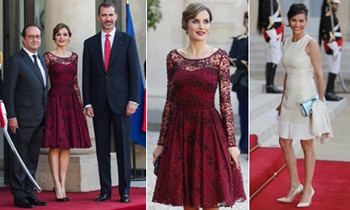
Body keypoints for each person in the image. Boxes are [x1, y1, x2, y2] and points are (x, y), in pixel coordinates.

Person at [152, 3, 246, 209]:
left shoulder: (219, 57)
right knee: (187, 200)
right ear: (186, 24)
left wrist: (231, 144)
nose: (201, 26)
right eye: (196, 21)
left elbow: (225, 102)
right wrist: (161, 142)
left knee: (211, 199)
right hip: (180, 131)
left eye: (206, 21)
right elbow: (170, 101)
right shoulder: (173, 58)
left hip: (209, 131)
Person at [82, 2, 140, 203]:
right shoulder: (89, 43)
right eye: (104, 15)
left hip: (123, 103)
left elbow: (135, 73)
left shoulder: (128, 40)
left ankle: (124, 191)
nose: (107, 18)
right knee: (102, 149)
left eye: (111, 15)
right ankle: (105, 190)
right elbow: (86, 76)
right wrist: (87, 103)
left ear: (116, 17)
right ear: (99, 18)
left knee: (124, 149)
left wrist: (133, 100)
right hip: (98, 104)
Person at [276, 4, 331, 208]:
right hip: (290, 99)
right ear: (288, 21)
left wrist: (321, 101)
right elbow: (287, 74)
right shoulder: (286, 42)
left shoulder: (311, 43)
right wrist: (282, 101)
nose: (297, 24)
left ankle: (308, 188)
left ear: (306, 22)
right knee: (284, 141)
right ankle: (294, 186)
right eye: (294, 20)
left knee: (307, 144)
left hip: (306, 100)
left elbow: (319, 74)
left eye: (301, 20)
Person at [41, 23, 91, 202]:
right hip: (54, 101)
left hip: (71, 102)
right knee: (55, 145)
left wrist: (80, 105)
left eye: (65, 34)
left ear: (69, 37)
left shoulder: (74, 57)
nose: (62, 37)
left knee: (66, 145)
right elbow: (42, 82)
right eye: (58, 34)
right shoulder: (47, 56)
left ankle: (63, 183)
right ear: (54, 37)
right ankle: (57, 185)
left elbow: (75, 82)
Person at [3, 24, 48, 208]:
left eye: (38, 36)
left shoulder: (41, 60)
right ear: (23, 38)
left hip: (39, 119)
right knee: (19, 159)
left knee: (32, 159)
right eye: (31, 36)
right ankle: (19, 195)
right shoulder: (15, 61)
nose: (35, 39)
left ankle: (30, 193)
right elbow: (9, 92)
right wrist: (11, 116)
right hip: (21, 120)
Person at [229, 10, 248, 154]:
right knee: (243, 113)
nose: (248, 24)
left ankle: (247, 143)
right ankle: (244, 144)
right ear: (244, 23)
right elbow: (231, 59)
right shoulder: (239, 39)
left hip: (249, 78)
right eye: (247, 21)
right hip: (242, 80)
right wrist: (244, 63)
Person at [319, 0, 343, 101]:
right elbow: (328, 33)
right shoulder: (328, 16)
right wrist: (334, 48)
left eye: (337, 4)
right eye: (335, 4)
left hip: (336, 47)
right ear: (330, 3)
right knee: (333, 69)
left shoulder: (332, 15)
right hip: (333, 47)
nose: (337, 6)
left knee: (335, 69)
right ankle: (328, 92)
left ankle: (331, 91)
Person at [257, 0, 284, 93]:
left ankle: (270, 83)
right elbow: (266, 16)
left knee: (271, 58)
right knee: (274, 57)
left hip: (276, 31)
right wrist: (271, 34)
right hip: (273, 32)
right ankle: (270, 85)